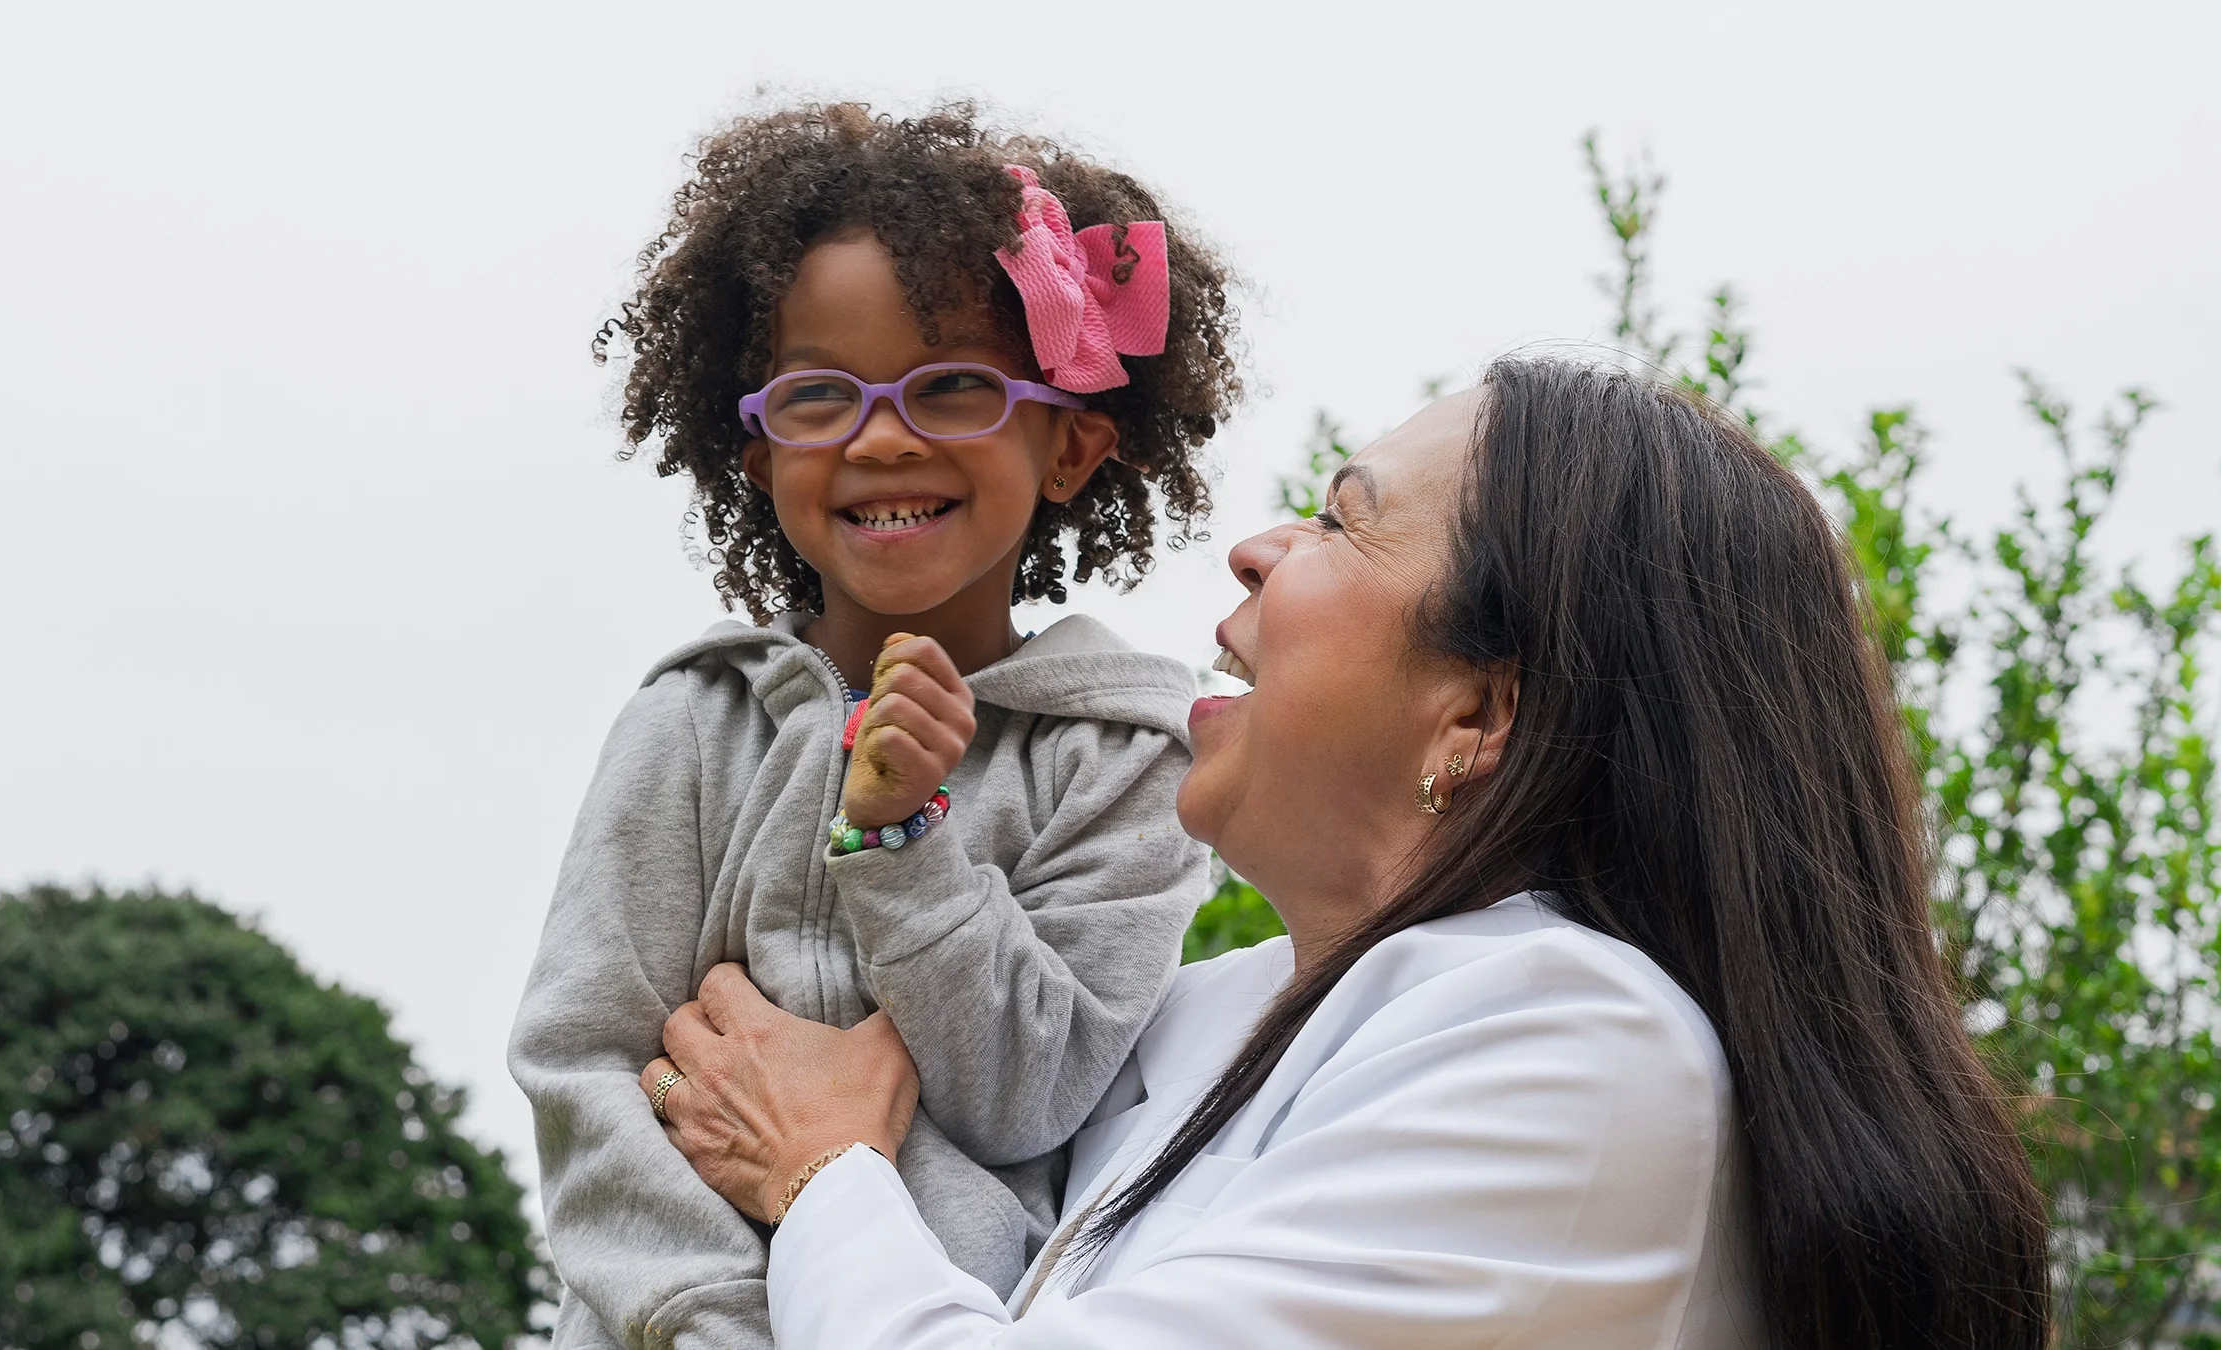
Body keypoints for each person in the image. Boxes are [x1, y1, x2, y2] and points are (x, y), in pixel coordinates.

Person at [644, 358, 2052, 1349]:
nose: (1256, 549)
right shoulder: (1195, 1016)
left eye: (1339, 519)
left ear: (1482, 710)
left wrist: (823, 1168)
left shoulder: (1576, 1044)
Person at [506, 102, 1245, 1348]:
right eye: (818, 395)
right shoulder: (691, 722)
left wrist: (907, 847)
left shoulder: (1131, 758)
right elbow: (585, 1069)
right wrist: (723, 1323)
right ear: (756, 455)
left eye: (953, 386)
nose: (883, 434)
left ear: (1070, 445)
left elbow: (1031, 1094)